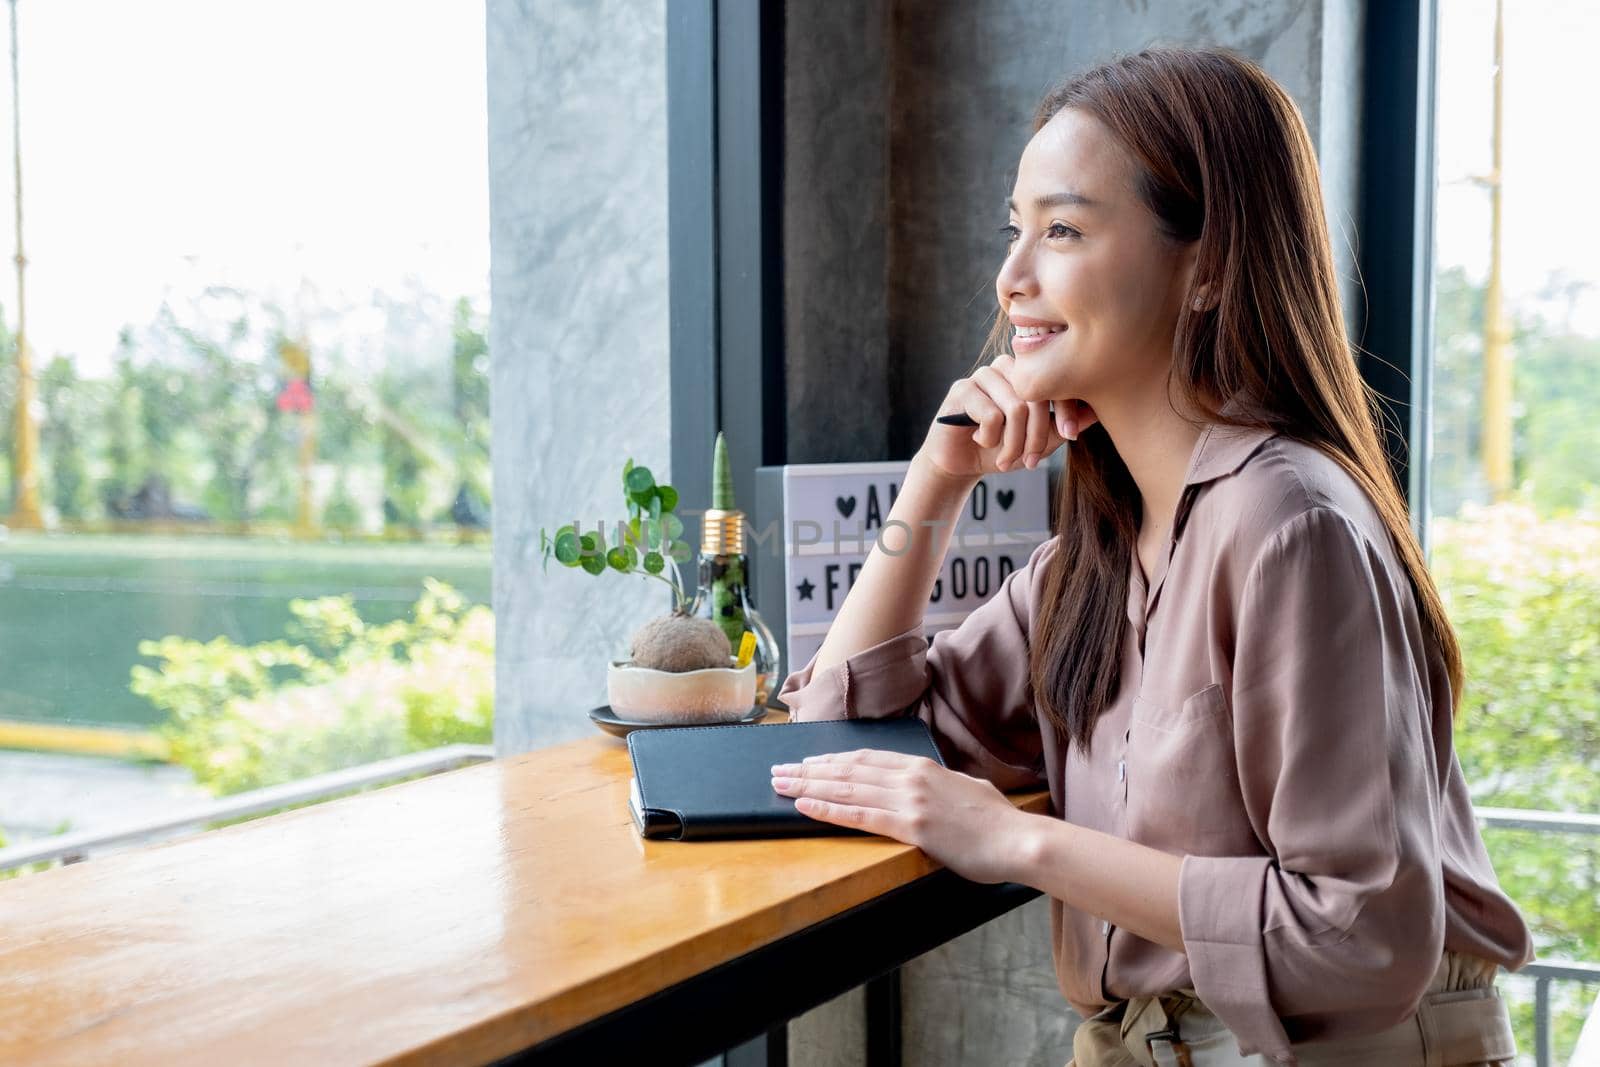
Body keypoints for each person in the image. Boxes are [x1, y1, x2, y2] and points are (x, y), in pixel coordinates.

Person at [771, 45, 1535, 1067]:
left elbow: (1361, 936)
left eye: (1064, 230)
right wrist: (935, 479)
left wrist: (1016, 840)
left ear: (1208, 265)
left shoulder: (1288, 522)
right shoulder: (1097, 550)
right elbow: (841, 736)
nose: (1011, 280)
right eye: (1015, 231)